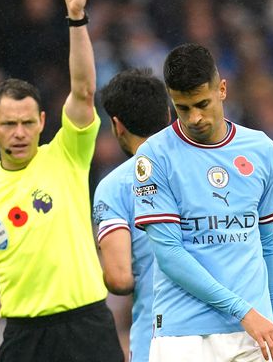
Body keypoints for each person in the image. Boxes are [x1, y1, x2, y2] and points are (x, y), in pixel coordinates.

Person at [0, 0, 124, 362]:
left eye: (28, 123)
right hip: (24, 337)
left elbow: (83, 89)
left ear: (44, 122)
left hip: (87, 327)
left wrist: (76, 18)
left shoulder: (67, 153)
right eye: (9, 124)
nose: (20, 132)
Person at [132, 43, 273, 362]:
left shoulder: (261, 149)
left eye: (202, 103)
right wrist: (244, 311)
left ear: (222, 89)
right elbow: (170, 254)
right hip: (184, 335)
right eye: (182, 107)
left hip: (252, 333)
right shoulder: (154, 157)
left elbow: (268, 243)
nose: (194, 117)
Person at [93, 68, 172, 362]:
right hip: (225, 332)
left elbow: (120, 279)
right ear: (167, 115)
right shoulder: (204, 170)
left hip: (160, 337)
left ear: (117, 125)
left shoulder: (115, 187)